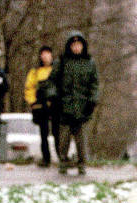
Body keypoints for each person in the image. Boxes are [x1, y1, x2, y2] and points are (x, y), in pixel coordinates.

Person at [47, 31, 99, 175]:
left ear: (83, 46)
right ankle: (63, 162)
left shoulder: (89, 63)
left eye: (79, 44)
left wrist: (93, 100)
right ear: (69, 46)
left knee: (81, 139)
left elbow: (94, 84)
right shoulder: (61, 62)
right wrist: (53, 96)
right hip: (64, 106)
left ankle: (82, 164)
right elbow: (51, 81)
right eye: (74, 44)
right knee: (63, 138)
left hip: (82, 107)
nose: (76, 47)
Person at [24, 45, 59, 167]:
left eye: (47, 53)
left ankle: (61, 157)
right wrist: (32, 102)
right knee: (43, 133)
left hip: (55, 105)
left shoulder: (57, 69)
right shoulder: (35, 72)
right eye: (43, 54)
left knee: (57, 132)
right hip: (40, 105)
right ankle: (46, 158)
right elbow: (29, 88)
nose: (45, 56)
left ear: (51, 55)